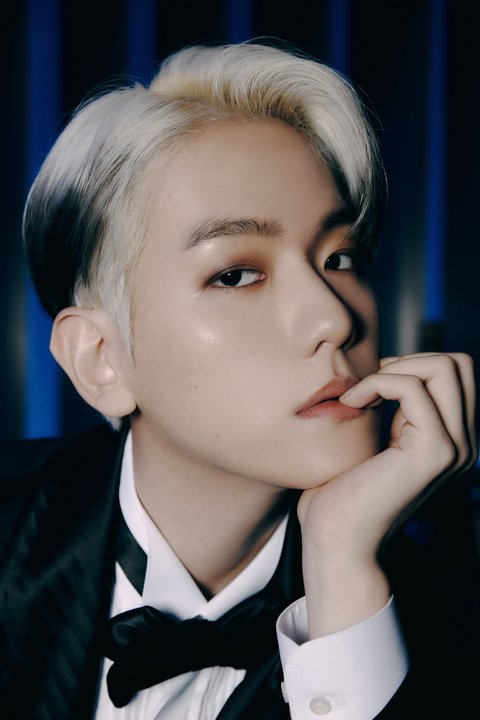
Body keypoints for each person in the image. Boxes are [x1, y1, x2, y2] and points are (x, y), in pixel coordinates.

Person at [0, 40, 478, 720]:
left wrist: (343, 566)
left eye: (340, 258)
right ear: (100, 358)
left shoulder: (450, 604)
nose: (334, 318)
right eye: (236, 274)